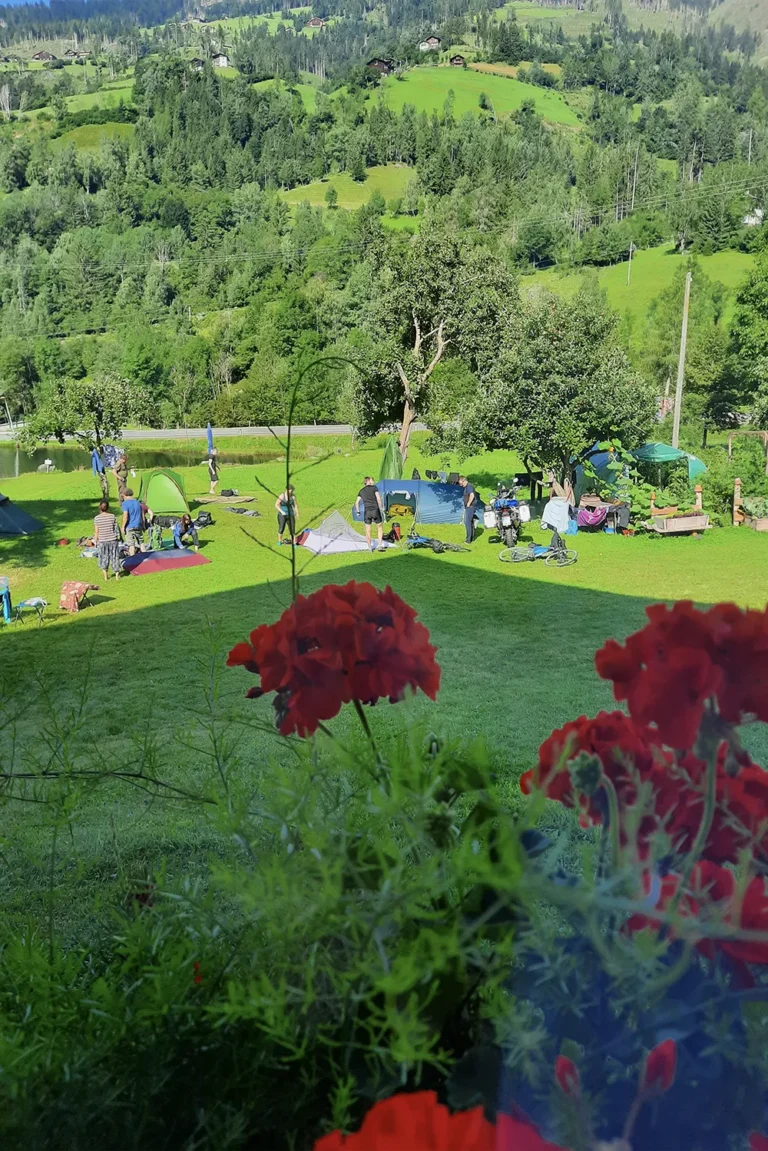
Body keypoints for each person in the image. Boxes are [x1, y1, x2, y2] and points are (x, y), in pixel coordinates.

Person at [93, 499, 122, 580]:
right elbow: (116, 529)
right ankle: (117, 575)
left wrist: (95, 541)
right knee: (115, 557)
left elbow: (96, 532)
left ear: (100, 507)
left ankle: (106, 577)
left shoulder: (97, 518)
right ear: (108, 507)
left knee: (103, 558)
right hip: (113, 540)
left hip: (102, 541)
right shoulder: (112, 516)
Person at [355, 476, 385, 552]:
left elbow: (356, 503)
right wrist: (381, 507)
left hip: (367, 512)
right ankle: (380, 544)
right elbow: (378, 498)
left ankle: (369, 547)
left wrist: (358, 512)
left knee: (368, 530)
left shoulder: (361, 491)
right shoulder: (374, 488)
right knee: (379, 527)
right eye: (371, 480)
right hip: (375, 510)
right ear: (368, 481)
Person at [121, 487, 145, 555]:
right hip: (138, 525)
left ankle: (132, 559)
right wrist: (143, 525)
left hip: (129, 526)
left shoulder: (125, 504)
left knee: (131, 544)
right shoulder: (137, 502)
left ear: (125, 494)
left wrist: (123, 527)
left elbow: (125, 516)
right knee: (141, 542)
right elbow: (142, 515)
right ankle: (146, 557)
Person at [458, 475, 477, 544]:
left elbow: (472, 495)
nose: (461, 485)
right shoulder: (468, 486)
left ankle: (468, 540)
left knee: (467, 522)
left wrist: (468, 504)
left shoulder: (469, 486)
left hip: (470, 507)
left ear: (464, 481)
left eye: (461, 483)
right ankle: (471, 537)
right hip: (470, 506)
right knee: (470, 522)